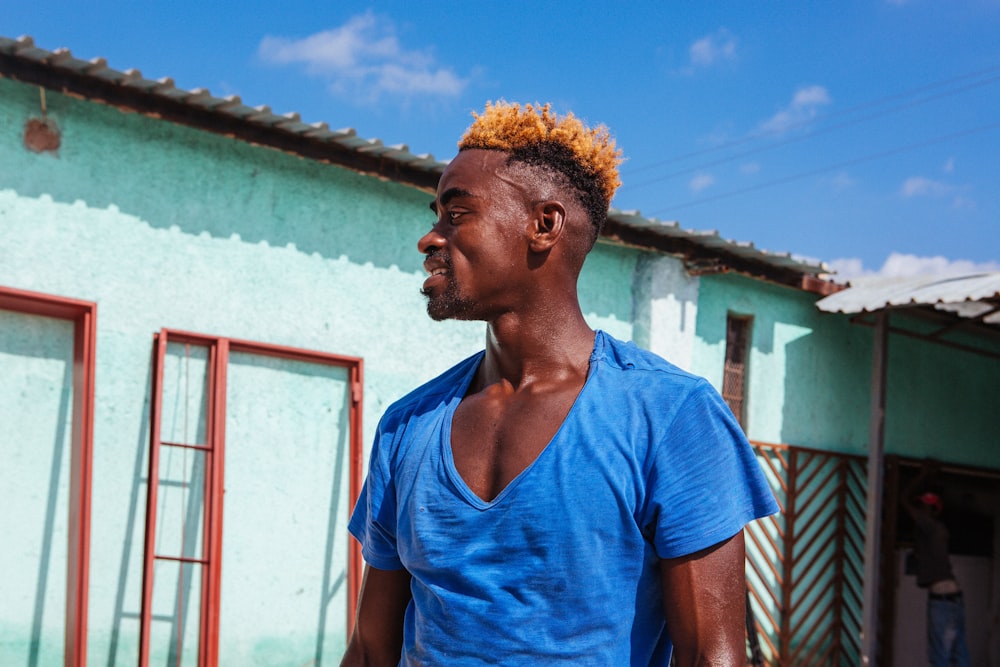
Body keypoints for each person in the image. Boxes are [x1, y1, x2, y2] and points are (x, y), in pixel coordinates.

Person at [341, 101, 779, 666]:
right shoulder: (408, 426)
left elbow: (712, 655)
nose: (430, 238)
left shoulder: (669, 416)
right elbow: (372, 648)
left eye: (457, 214)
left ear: (544, 225)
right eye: (435, 217)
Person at [902, 461, 971, 667]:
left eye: (922, 506)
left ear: (931, 510)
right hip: (953, 599)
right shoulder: (937, 531)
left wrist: (921, 475)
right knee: (959, 656)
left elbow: (903, 500)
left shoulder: (930, 526)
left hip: (941, 600)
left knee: (939, 657)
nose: (919, 510)